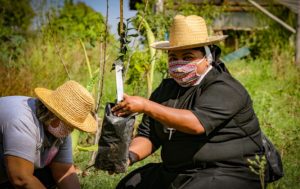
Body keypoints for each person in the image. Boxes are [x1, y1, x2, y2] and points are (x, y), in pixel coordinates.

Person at [112, 15, 265, 189]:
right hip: (179, 171)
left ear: (207, 57)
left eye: (187, 57)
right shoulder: (166, 89)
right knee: (129, 185)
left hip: (228, 171)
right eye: (173, 57)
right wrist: (129, 156)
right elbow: (149, 136)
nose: (178, 64)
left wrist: (146, 106)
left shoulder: (225, 87)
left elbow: (195, 124)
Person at [0, 80, 97, 189]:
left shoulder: (60, 130)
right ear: (52, 112)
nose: (71, 130)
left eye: (72, 126)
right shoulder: (22, 121)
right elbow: (21, 179)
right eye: (67, 123)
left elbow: (63, 171)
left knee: (49, 176)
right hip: (10, 174)